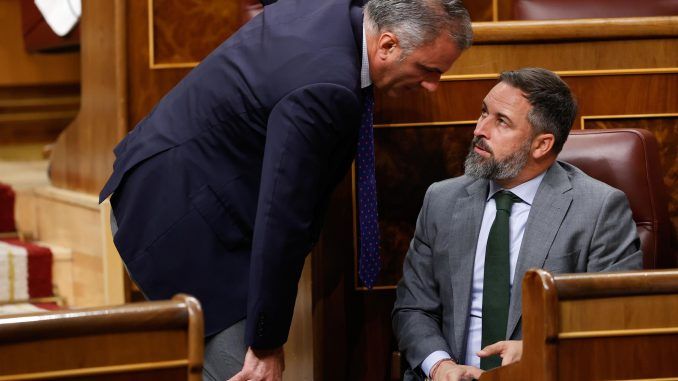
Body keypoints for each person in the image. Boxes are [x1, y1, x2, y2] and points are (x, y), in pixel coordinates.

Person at [98, 0, 473, 380]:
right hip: (178, 220)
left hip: (176, 181)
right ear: (388, 45)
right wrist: (265, 344)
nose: (432, 86)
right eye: (428, 70)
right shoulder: (326, 88)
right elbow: (284, 219)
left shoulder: (340, 14)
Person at [392, 67, 643, 381]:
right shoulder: (442, 200)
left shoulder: (598, 209)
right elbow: (413, 308)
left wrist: (534, 349)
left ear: (541, 145)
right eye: (484, 112)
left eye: (501, 121)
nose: (479, 129)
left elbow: (617, 317)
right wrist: (440, 366)